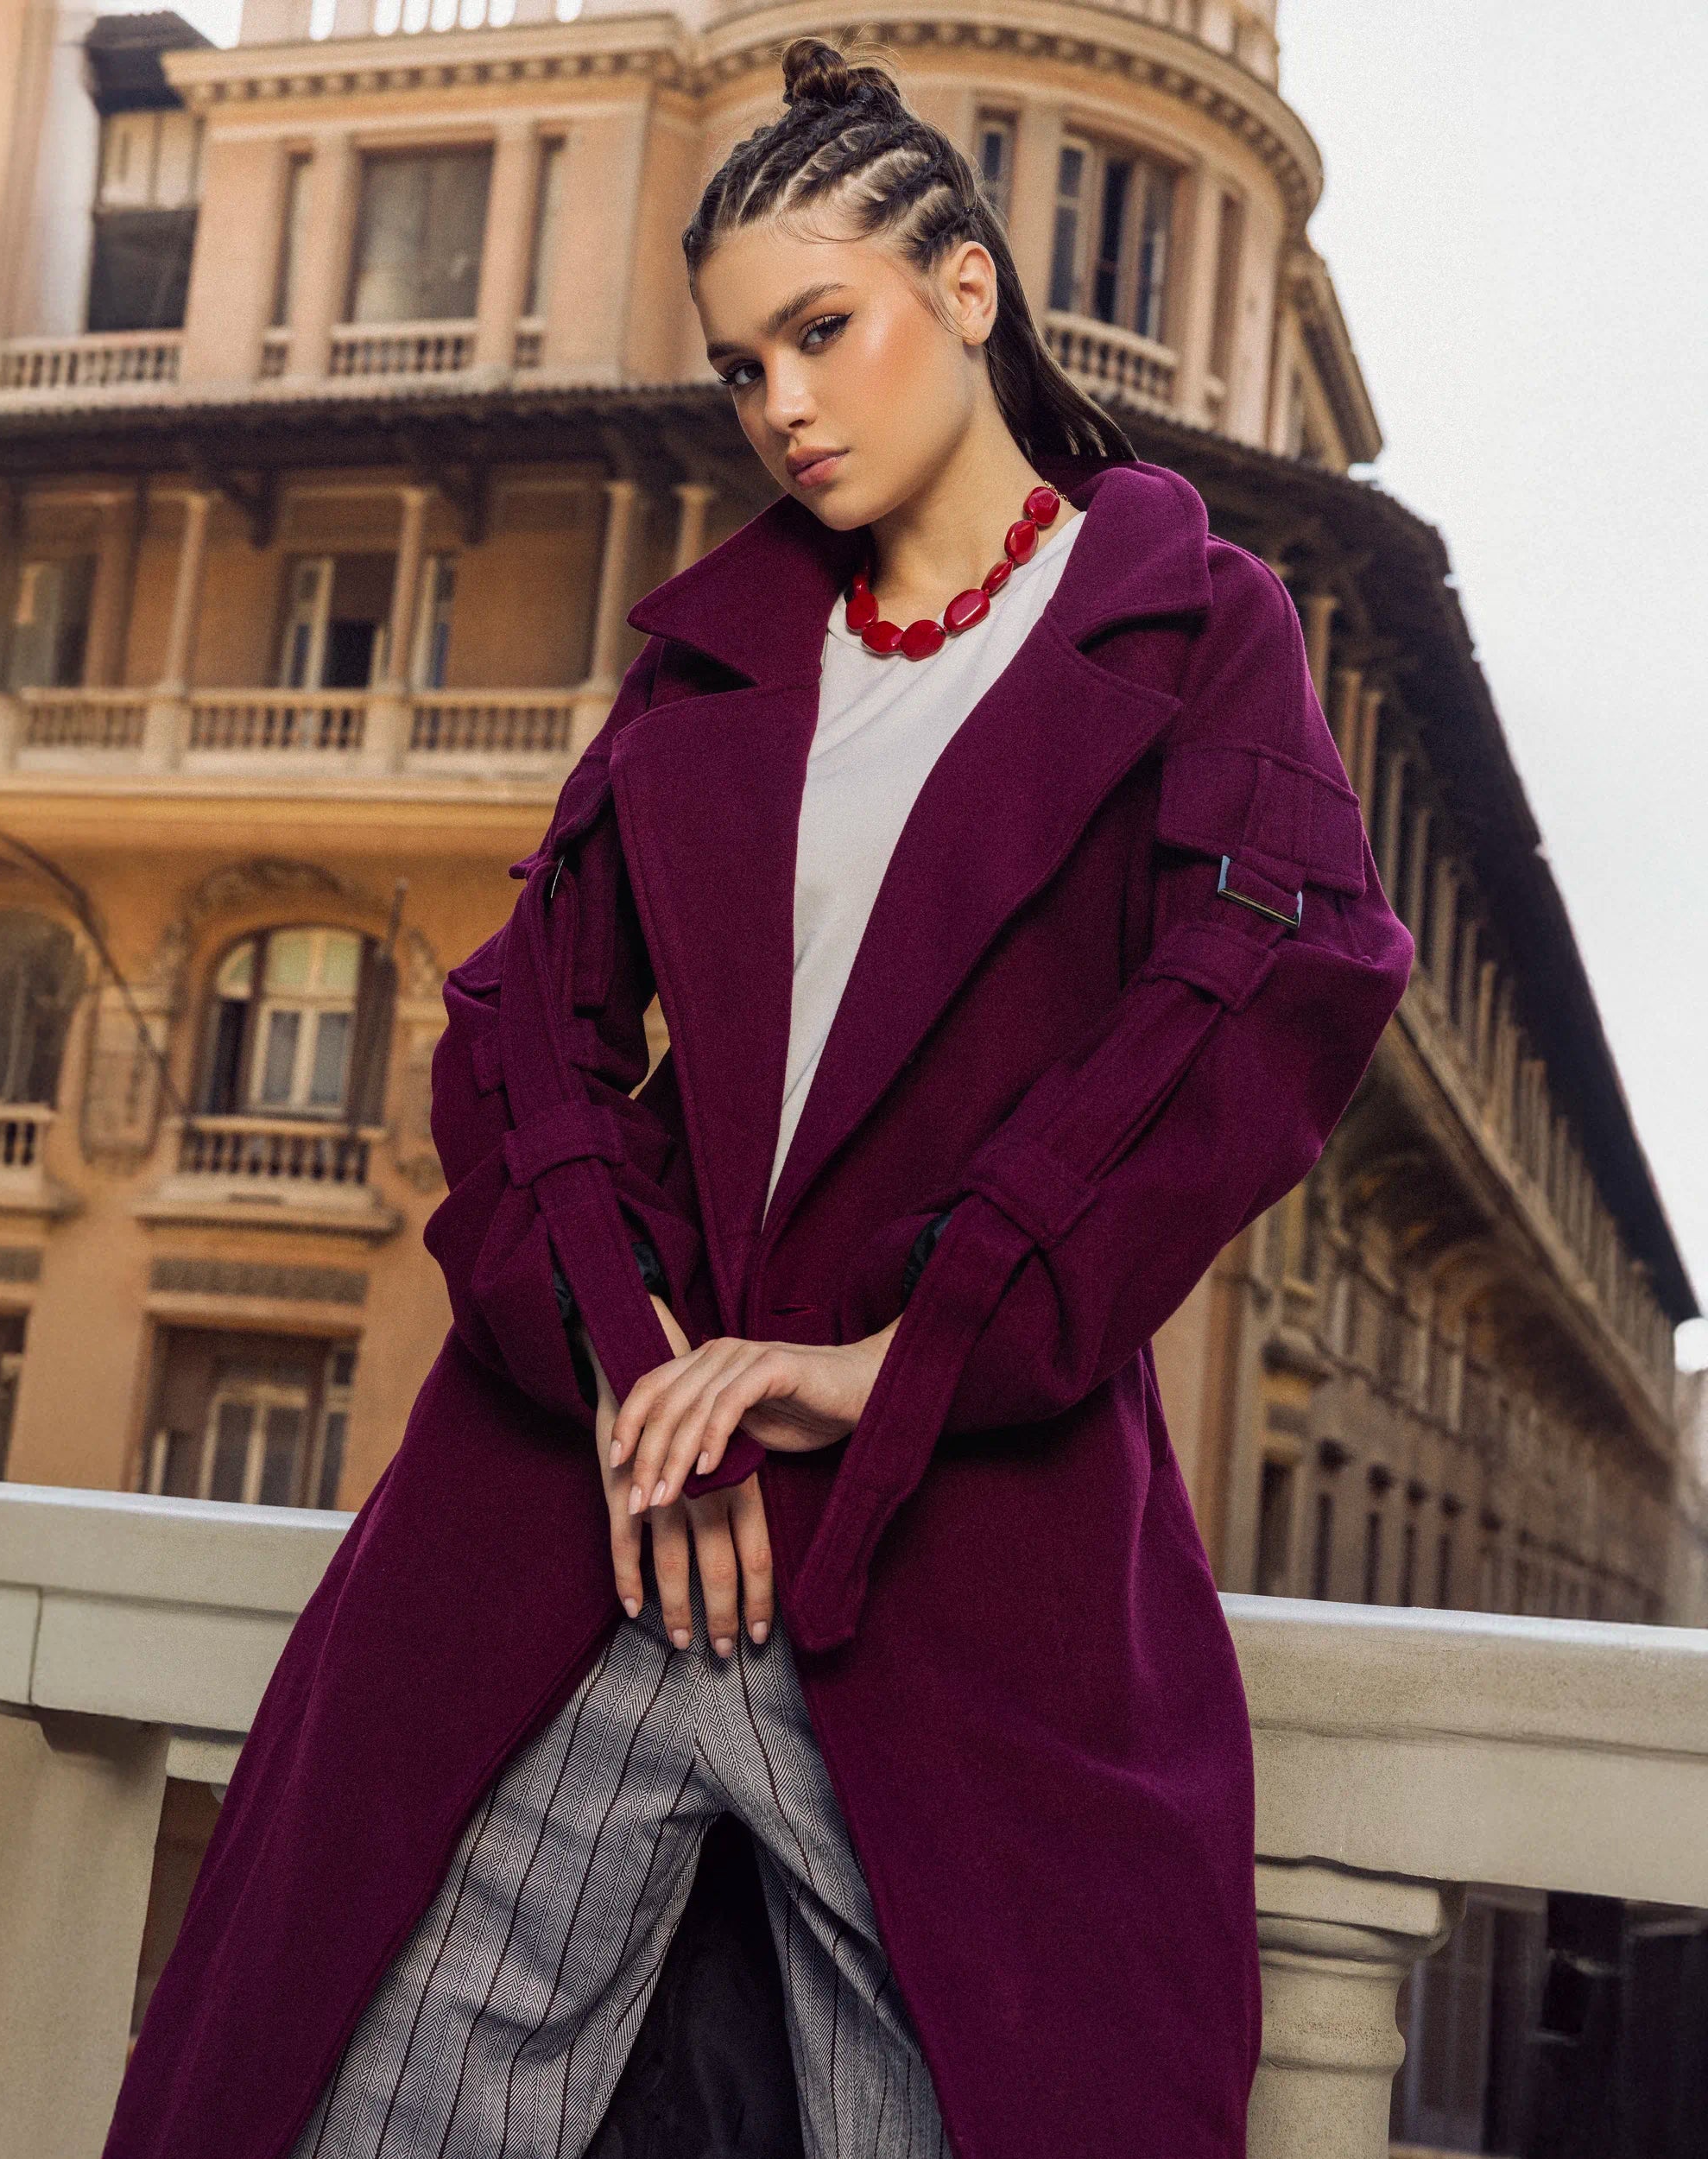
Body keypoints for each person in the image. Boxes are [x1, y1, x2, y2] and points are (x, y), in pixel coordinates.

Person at [103, 32, 1414, 2159]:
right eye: (740, 366)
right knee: (360, 2084)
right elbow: (525, 1030)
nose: (783, 405)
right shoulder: (711, 653)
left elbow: (1258, 998)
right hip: (584, 1522)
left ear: (968, 287)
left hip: (953, 1546)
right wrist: (650, 1369)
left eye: (824, 328)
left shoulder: (1191, 628)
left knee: (975, 2091)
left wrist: (888, 1361)